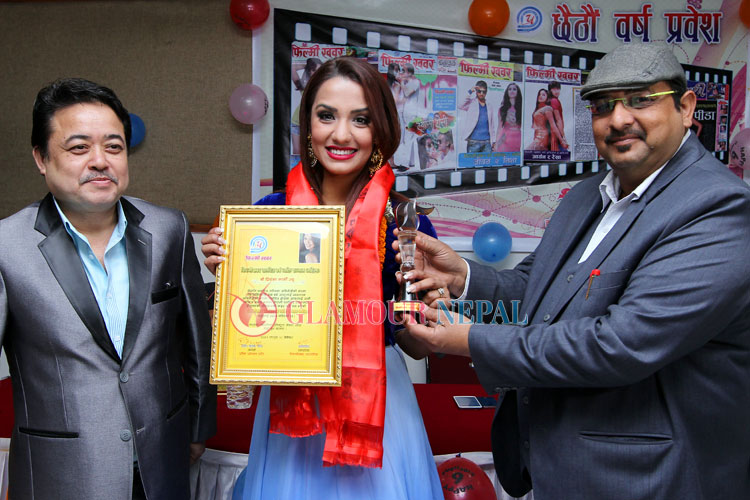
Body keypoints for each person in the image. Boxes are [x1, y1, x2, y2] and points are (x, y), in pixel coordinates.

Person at [396, 42, 750, 499]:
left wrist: (468, 340)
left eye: (640, 99)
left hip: (650, 479)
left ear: (684, 107)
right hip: (559, 467)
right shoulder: (589, 193)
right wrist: (462, 276)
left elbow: (620, 344)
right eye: (603, 106)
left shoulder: (719, 207)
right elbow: (538, 288)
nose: (618, 119)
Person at [202, 57, 442, 500]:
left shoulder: (405, 221)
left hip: (377, 400)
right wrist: (231, 277)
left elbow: (416, 345)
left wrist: (420, 306)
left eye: (361, 119)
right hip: (292, 402)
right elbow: (251, 328)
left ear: (381, 129)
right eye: (326, 115)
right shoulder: (269, 213)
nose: (341, 134)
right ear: (308, 125)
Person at [0, 78, 216, 499]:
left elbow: (196, 341)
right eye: (79, 148)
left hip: (162, 460)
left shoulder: (168, 229)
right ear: (41, 158)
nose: (100, 161)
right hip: (61, 473)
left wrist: (197, 428)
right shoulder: (8, 247)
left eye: (113, 147)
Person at [459, 80, 497, 153]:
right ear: (476, 91)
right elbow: (460, 105)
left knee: (488, 161)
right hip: (473, 142)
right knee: (471, 161)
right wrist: (470, 92)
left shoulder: (489, 106)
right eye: (479, 91)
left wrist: (494, 141)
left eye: (484, 92)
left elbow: (492, 125)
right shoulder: (471, 103)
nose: (481, 93)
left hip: (487, 142)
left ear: (486, 92)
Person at [493, 82, 522, 153]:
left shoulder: (522, 109)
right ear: (507, 92)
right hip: (504, 139)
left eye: (514, 89)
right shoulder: (502, 109)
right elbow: (499, 127)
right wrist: (496, 142)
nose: (512, 91)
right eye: (510, 89)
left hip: (518, 140)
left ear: (517, 92)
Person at [547, 81, 568, 151]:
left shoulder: (551, 100)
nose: (556, 91)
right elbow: (558, 120)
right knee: (563, 154)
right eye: (554, 89)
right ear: (550, 90)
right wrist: (563, 137)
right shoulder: (554, 101)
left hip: (552, 134)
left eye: (558, 89)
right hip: (556, 135)